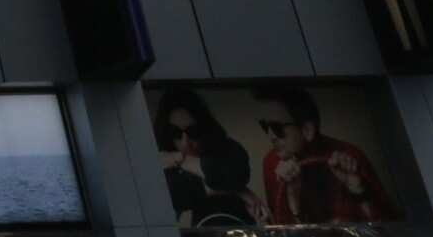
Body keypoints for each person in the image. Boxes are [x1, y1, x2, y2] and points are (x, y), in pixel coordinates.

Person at [253, 85, 398, 227]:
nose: (270, 136)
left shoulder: (349, 156)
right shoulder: (271, 163)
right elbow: (281, 232)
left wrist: (358, 190)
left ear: (307, 130)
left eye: (277, 128)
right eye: (265, 126)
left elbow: (388, 227)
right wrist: (292, 198)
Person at [153, 85, 255, 229]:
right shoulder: (164, 163)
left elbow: (235, 175)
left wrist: (183, 159)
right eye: (175, 133)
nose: (185, 142)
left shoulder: (227, 148)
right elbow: (175, 195)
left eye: (193, 131)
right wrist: (239, 190)